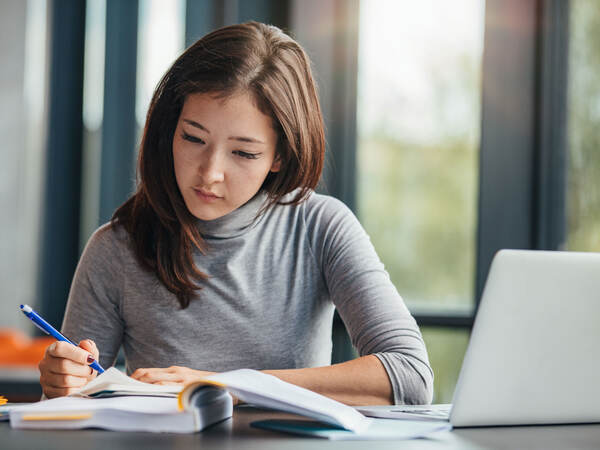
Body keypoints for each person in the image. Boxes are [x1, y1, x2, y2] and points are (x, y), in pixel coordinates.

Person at [38, 21, 433, 406]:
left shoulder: (320, 227)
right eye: (193, 138)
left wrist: (228, 385)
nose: (210, 174)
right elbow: (68, 412)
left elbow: (410, 375)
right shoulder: (117, 248)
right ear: (169, 129)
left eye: (243, 153)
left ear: (280, 155)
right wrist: (62, 387)